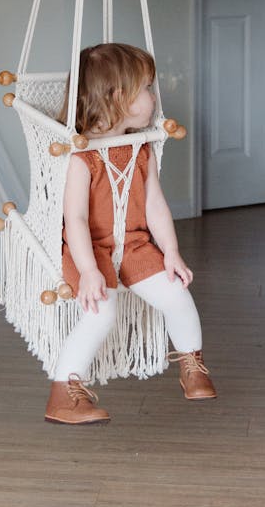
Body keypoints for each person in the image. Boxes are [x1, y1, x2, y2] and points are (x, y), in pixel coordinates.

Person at [44, 42, 216, 425]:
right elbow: (74, 219)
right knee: (99, 313)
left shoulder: (141, 148)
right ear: (120, 97)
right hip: (88, 250)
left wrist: (170, 251)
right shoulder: (81, 155)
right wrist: (88, 271)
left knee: (177, 294)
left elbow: (154, 204)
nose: (154, 97)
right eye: (148, 88)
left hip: (135, 244)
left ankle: (192, 362)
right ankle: (63, 393)